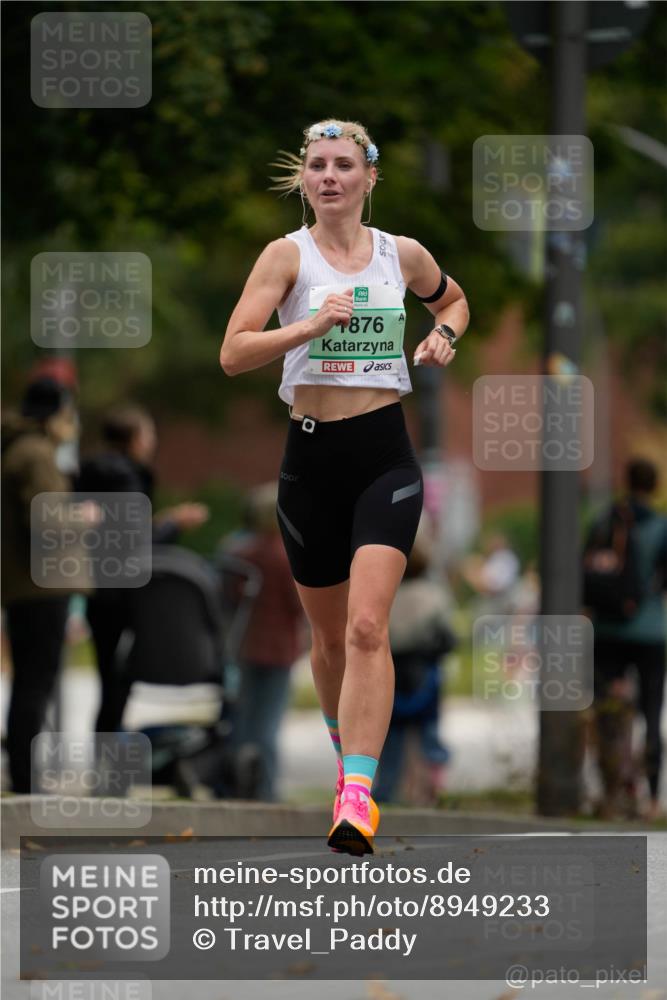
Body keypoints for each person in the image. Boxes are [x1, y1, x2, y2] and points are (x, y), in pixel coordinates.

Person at [220, 118, 469, 855]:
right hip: (308, 462)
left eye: (342, 165)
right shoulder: (284, 256)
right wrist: (306, 327)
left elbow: (452, 300)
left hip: (383, 457)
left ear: (367, 178)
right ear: (304, 180)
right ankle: (346, 760)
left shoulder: (402, 254)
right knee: (326, 638)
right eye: (316, 166)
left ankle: (357, 797)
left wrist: (442, 336)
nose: (328, 176)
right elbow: (234, 352)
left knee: (367, 627)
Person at [76, 405, 209, 734]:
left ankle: (106, 753)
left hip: (96, 583)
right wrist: (175, 525)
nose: (152, 440)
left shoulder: (91, 473)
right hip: (123, 590)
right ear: (134, 439)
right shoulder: (126, 478)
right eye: (147, 433)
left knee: (109, 674)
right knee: (118, 679)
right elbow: (135, 540)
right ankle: (108, 759)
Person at [1, 378, 92, 792]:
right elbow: (47, 520)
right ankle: (25, 778)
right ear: (54, 414)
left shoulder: (22, 449)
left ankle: (23, 772)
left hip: (26, 584)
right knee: (35, 682)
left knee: (30, 680)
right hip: (42, 586)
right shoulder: (35, 454)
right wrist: (85, 516)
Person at [585, 457, 667, 820]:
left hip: (607, 630)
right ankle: (651, 799)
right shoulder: (661, 527)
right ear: (655, 486)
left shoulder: (606, 520)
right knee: (651, 713)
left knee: (607, 711)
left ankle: (611, 793)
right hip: (649, 631)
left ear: (626, 480)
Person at [231, 483, 306, 801]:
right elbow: (299, 605)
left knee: (244, 718)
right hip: (279, 649)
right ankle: (266, 787)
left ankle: (235, 782)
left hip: (245, 645)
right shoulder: (286, 557)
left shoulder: (238, 554)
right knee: (269, 722)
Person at [374, 517, 456, 805]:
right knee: (428, 732)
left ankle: (386, 791)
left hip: (392, 669)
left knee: (392, 735)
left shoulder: (385, 596)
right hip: (425, 671)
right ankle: (431, 788)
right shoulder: (433, 596)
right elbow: (447, 635)